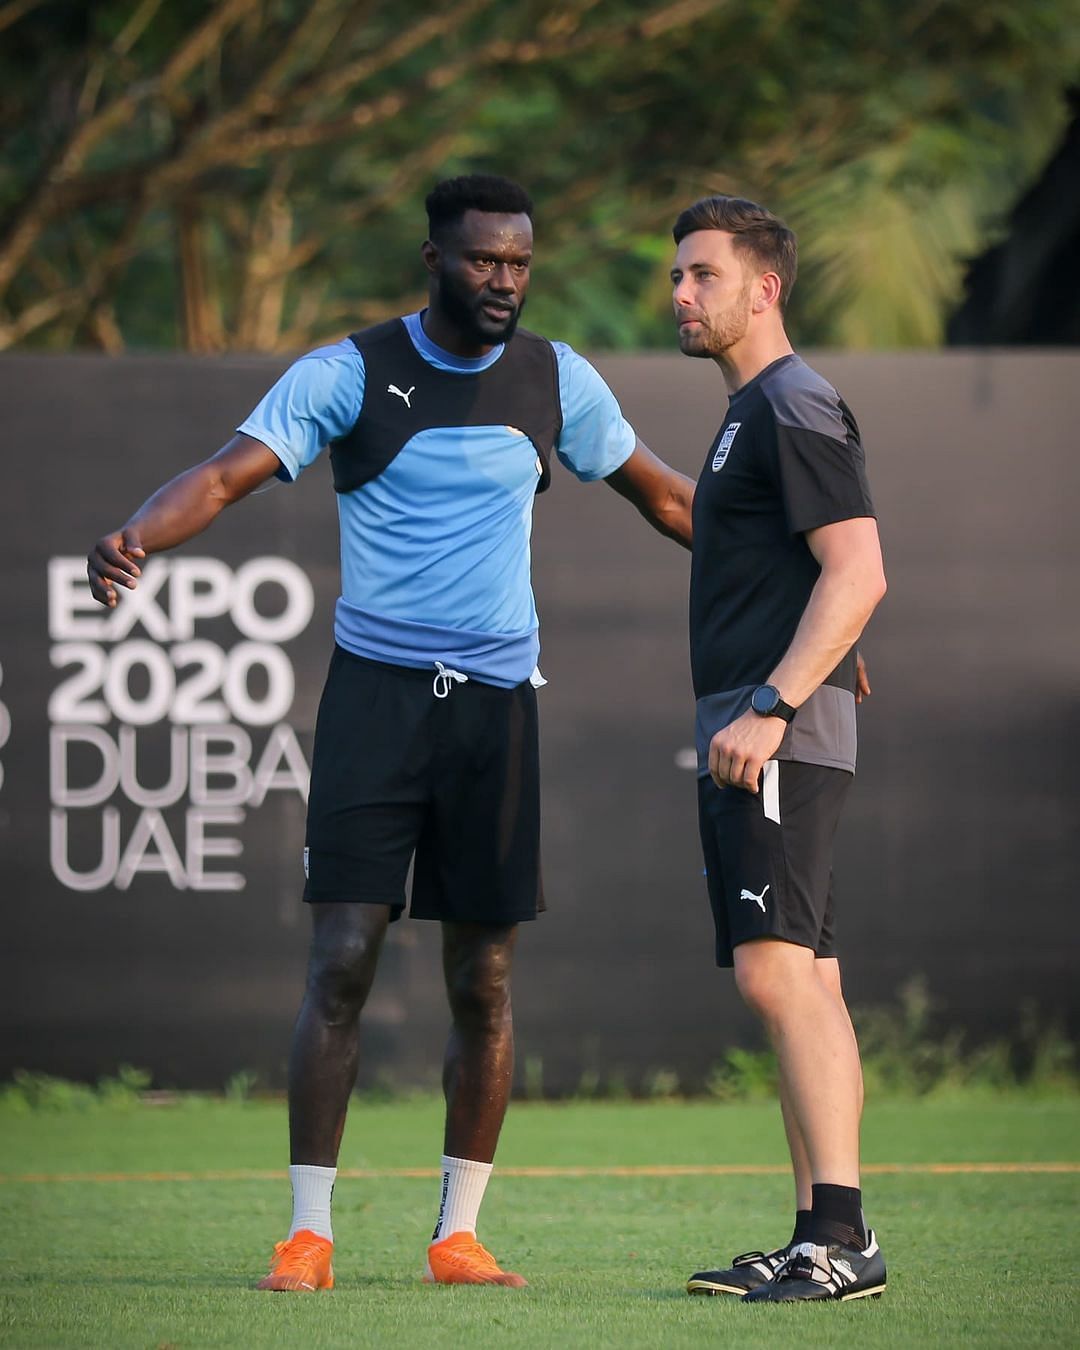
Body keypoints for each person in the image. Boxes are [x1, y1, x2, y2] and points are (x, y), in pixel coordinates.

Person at [87, 174, 694, 1292]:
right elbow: (225, 478)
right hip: (376, 702)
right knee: (343, 962)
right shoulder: (348, 373)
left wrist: (802, 585)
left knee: (487, 982)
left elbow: (667, 499)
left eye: (519, 262)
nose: (504, 281)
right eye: (481, 262)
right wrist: (136, 535)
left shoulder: (559, 377)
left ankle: (458, 1236)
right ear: (434, 260)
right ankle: (306, 1237)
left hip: (498, 711)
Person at [669, 195, 888, 1303]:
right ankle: (816, 1232)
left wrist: (771, 704)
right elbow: (821, 583)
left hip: (774, 741)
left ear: (765, 287)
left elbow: (859, 570)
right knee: (807, 978)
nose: (681, 294)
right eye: (678, 275)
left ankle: (842, 1243)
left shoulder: (792, 401)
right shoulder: (751, 410)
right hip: (776, 732)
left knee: (775, 979)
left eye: (703, 274)